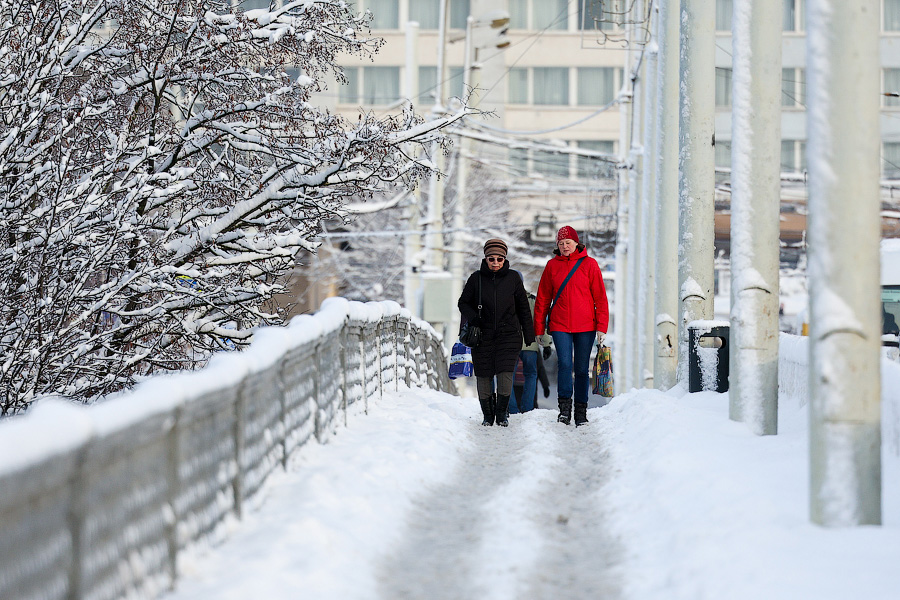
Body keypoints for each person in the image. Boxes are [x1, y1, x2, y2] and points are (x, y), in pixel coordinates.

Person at [534, 226, 609, 426]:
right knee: (565, 365)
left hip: (586, 325)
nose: (565, 246)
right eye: (561, 243)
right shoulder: (552, 266)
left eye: (568, 242)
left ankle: (581, 412)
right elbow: (542, 299)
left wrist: (602, 326)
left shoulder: (590, 264)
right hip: (560, 325)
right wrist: (539, 329)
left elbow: (600, 298)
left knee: (582, 369)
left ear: (576, 243)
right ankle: (564, 410)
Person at [458, 238, 535, 427]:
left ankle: (501, 414)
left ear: (505, 259)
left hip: (509, 335)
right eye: (491, 259)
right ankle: (487, 415)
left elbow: (523, 308)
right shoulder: (476, 278)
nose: (495, 263)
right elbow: (463, 303)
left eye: (499, 259)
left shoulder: (513, 279)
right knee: (483, 374)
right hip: (482, 336)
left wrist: (529, 335)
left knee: (505, 373)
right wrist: (474, 318)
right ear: (485, 259)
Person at [509, 290, 552, 413]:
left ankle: (512, 408)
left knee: (508, 376)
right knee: (531, 375)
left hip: (511, 345)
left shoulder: (506, 299)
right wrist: (547, 344)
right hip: (530, 345)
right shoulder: (533, 300)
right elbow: (540, 322)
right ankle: (527, 408)